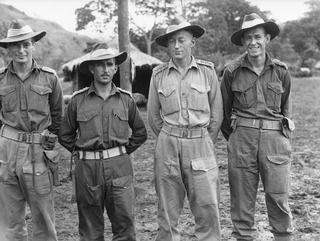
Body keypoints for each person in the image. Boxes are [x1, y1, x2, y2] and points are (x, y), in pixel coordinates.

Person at [58, 48, 147, 241]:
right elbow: (65, 135)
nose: (105, 69)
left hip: (119, 167)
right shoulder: (77, 100)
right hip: (88, 170)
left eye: (109, 64)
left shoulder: (125, 99)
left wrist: (121, 151)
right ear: (91, 68)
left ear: (115, 68)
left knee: (125, 226)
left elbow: (140, 133)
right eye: (100, 64)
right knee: (90, 230)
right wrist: (83, 151)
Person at [220, 13, 295, 241]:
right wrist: (237, 137)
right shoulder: (231, 72)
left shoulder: (281, 71)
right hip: (242, 140)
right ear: (243, 42)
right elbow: (223, 114)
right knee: (242, 200)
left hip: (275, 142)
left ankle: (283, 236)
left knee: (278, 197)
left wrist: (282, 140)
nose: (253, 42)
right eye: (248, 38)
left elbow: (286, 110)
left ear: (267, 38)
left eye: (258, 37)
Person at [148, 18, 223, 241]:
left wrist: (202, 139)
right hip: (168, 144)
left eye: (182, 40)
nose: (177, 46)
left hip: (201, 143)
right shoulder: (158, 74)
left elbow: (216, 115)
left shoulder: (207, 71)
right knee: (167, 210)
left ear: (193, 43)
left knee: (207, 205)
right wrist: (171, 136)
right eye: (172, 41)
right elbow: (153, 117)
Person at [0, 19, 63, 241]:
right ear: (8, 49)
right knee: (9, 221)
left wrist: (48, 147)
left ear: (32, 45)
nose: (21, 50)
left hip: (38, 152)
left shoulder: (49, 77)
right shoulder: (0, 79)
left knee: (43, 218)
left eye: (25, 44)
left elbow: (57, 118)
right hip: (7, 152)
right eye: (15, 45)